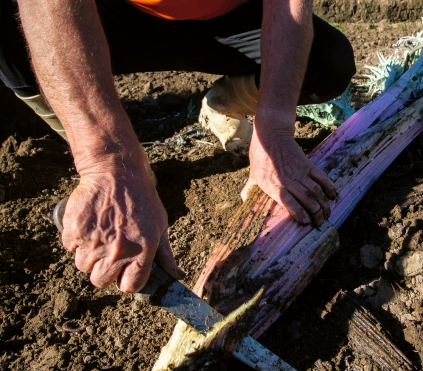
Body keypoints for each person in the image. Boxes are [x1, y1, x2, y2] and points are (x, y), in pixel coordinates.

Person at [0, 0, 355, 292]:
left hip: (220, 18)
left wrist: (275, 127)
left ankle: (222, 104)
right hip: (104, 15)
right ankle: (130, 175)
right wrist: (106, 161)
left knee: (327, 62)